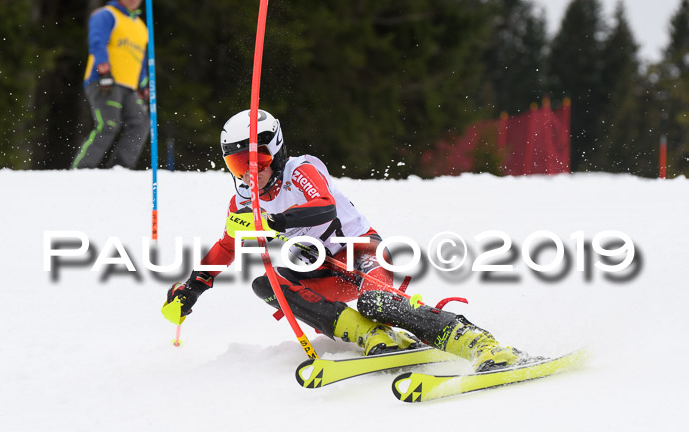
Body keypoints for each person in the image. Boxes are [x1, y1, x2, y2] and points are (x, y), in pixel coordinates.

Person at [163, 109, 521, 371]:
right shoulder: (243, 199)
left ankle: (475, 341)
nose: (250, 172)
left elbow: (323, 208)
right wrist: (195, 286)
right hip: (321, 269)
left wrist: (274, 222)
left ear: (277, 149)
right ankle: (370, 336)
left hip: (361, 251)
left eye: (257, 159)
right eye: (238, 164)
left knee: (377, 303)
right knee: (266, 283)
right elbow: (227, 245)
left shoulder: (301, 170)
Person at [72, 0, 149, 170]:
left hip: (129, 86)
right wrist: (103, 66)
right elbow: (97, 41)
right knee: (108, 124)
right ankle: (82, 168)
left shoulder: (142, 27)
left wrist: (143, 85)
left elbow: (141, 59)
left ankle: (120, 168)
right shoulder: (107, 14)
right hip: (106, 81)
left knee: (140, 124)